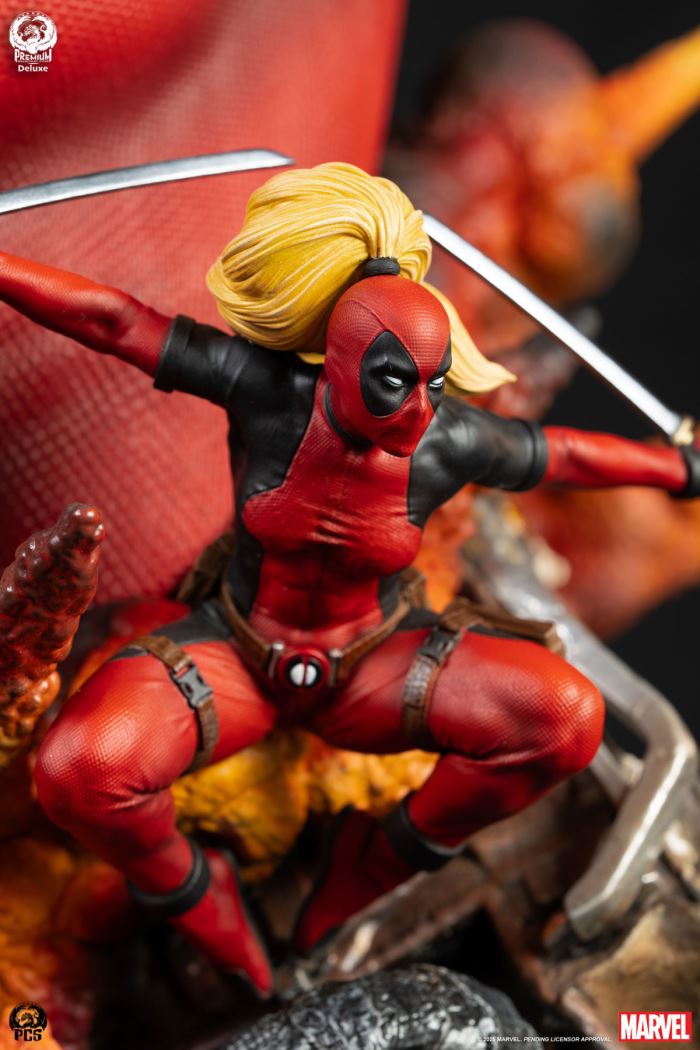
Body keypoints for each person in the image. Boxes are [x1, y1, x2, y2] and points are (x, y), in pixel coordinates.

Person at [1, 163, 697, 998]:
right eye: (395, 383)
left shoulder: (445, 439)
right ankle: (192, 891)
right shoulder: (264, 392)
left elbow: (566, 456)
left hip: (377, 666)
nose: (418, 411)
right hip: (234, 657)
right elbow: (114, 320)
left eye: (433, 383)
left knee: (567, 720)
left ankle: (372, 861)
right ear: (336, 360)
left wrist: (678, 469)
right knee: (78, 770)